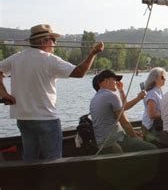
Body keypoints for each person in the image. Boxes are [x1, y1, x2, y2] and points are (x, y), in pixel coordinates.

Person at [0, 24, 104, 161]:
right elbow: (80, 72)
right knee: (53, 160)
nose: (55, 44)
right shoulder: (50, 59)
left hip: (23, 118)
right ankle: (54, 182)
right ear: (45, 41)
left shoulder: (16, 58)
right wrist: (93, 54)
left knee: (29, 159)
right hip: (46, 119)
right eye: (53, 40)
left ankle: (29, 182)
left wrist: (4, 94)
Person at [90, 70, 156, 154]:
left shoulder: (94, 99)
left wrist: (121, 90)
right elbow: (125, 122)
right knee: (153, 149)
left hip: (104, 141)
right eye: (114, 79)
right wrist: (135, 137)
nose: (117, 82)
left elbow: (122, 110)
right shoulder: (111, 95)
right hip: (115, 141)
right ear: (105, 81)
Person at [141, 67, 167, 141]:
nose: (165, 79)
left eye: (165, 77)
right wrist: (167, 113)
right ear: (155, 79)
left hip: (156, 125)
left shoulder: (159, 91)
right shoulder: (152, 93)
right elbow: (152, 114)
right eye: (162, 77)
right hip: (151, 128)